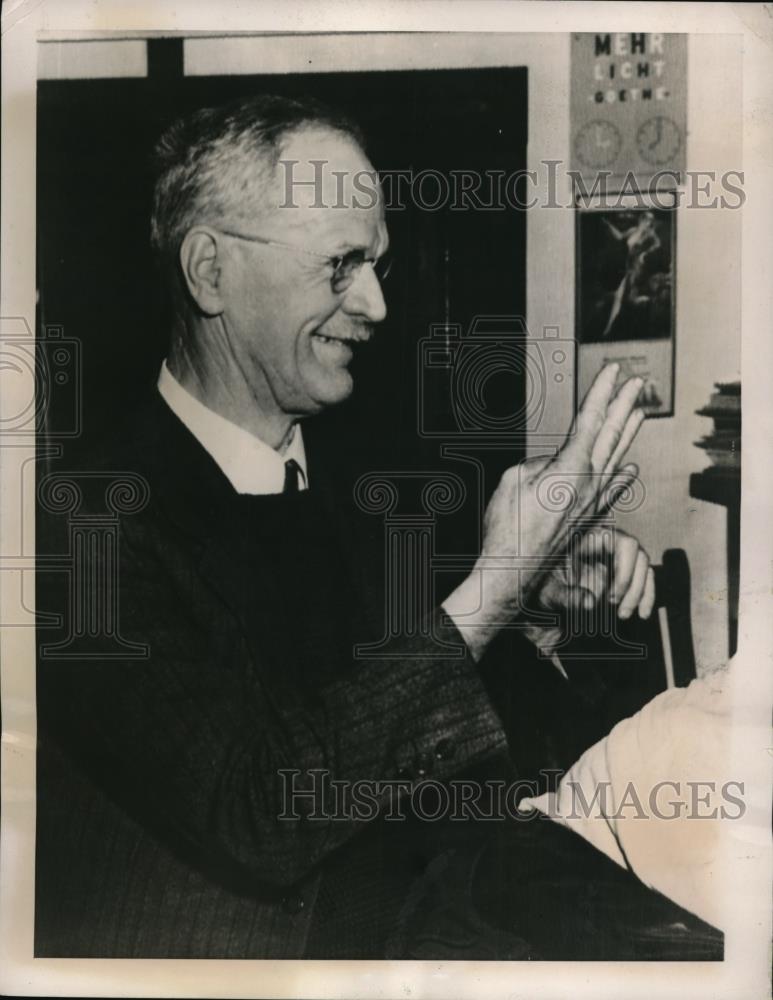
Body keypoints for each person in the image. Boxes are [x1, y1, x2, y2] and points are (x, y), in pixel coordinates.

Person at [35, 93, 685, 960]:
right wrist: (495, 580)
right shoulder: (86, 531)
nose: (376, 304)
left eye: (375, 261)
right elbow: (260, 810)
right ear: (209, 272)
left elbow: (437, 715)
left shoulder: (370, 472)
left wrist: (534, 599)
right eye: (340, 264)